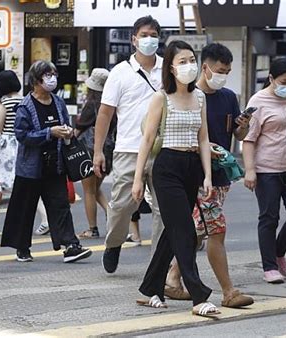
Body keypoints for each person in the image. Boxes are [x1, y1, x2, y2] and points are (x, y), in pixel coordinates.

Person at [132, 40, 220, 317]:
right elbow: (147, 139)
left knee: (172, 231)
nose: (188, 66)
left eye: (191, 60)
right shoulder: (161, 98)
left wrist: (207, 175)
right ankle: (198, 295)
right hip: (167, 166)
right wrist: (137, 178)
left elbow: (203, 137)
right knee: (184, 230)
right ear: (170, 67)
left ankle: (150, 289)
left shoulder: (201, 97)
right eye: (182, 61)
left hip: (191, 165)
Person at [165, 43, 254, 307]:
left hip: (221, 175)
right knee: (216, 230)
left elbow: (237, 136)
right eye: (219, 70)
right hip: (197, 176)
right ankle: (228, 291)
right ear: (204, 68)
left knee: (197, 231)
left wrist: (243, 127)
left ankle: (172, 277)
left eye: (227, 71)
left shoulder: (228, 97)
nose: (223, 75)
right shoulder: (189, 97)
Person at [0, 60, 92, 263]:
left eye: (54, 74)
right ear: (36, 80)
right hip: (31, 167)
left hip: (55, 165)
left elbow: (66, 124)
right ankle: (22, 248)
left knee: (60, 206)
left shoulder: (58, 102)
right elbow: (22, 135)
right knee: (25, 208)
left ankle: (71, 246)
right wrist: (49, 133)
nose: (52, 79)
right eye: (47, 75)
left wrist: (67, 132)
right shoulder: (25, 105)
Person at [93, 16, 164, 273]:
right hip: (128, 150)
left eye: (153, 34)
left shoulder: (169, 70)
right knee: (123, 205)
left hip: (163, 150)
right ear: (134, 39)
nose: (149, 39)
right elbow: (105, 114)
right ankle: (114, 243)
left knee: (162, 209)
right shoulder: (120, 73)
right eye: (144, 34)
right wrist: (98, 151)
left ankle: (158, 262)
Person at [242, 57, 286, 284]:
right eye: (283, 81)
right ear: (271, 78)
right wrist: (249, 170)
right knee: (269, 218)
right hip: (267, 170)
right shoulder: (257, 101)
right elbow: (249, 139)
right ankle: (269, 266)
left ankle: (279, 252)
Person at [0, 71, 50, 236]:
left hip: (5, 147)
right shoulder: (25, 99)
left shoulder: (6, 102)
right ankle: (45, 219)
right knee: (26, 184)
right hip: (23, 145)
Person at [75, 68, 113, 239]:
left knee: (89, 190)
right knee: (96, 188)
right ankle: (111, 213)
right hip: (108, 151)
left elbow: (78, 129)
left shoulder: (92, 105)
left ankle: (92, 228)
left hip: (90, 151)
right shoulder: (113, 104)